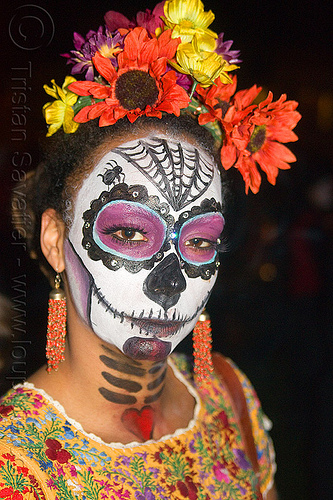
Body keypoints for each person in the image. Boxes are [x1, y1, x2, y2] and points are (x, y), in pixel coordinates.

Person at [0, 1, 300, 498]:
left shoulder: (230, 395)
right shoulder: (16, 464)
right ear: (56, 241)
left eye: (200, 242)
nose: (170, 282)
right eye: (131, 234)